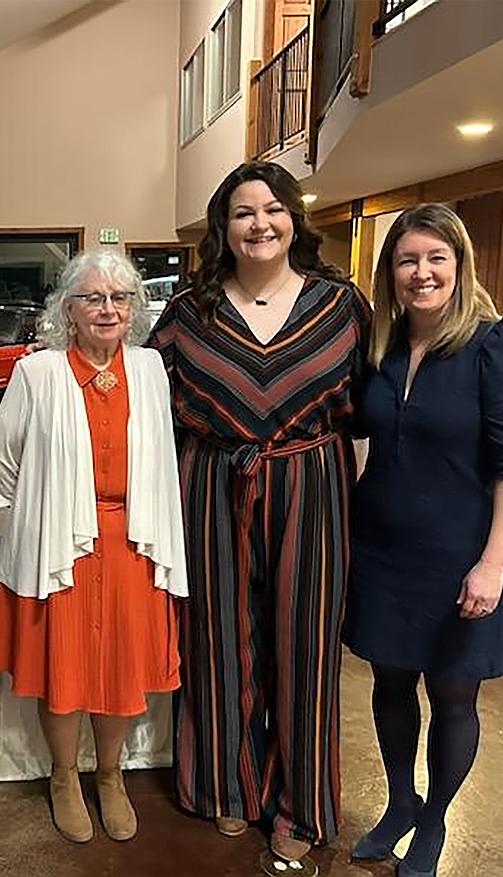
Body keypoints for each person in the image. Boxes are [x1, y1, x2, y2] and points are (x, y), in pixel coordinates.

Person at [147, 161, 369, 876]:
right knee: (218, 639)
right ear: (224, 227)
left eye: (273, 209)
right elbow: (151, 409)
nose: (260, 223)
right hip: (213, 480)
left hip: (314, 478)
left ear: (295, 219)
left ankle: (301, 806)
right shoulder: (189, 310)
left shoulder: (341, 305)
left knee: (304, 646)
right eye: (244, 212)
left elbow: (368, 409)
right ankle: (225, 781)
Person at [343, 204, 503, 877]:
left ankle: (433, 824)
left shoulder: (499, 342)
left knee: (453, 694)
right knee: (390, 681)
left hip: (462, 553)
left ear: (459, 264)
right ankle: (401, 801)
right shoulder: (382, 346)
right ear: (390, 273)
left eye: (435, 257)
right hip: (383, 548)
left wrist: (492, 564)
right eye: (407, 260)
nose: (421, 272)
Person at [0, 248, 188, 843]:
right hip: (62, 544)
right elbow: (4, 459)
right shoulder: (36, 372)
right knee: (64, 664)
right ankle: (65, 777)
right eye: (92, 297)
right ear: (67, 309)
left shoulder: (150, 368)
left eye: (119, 298)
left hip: (132, 540)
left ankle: (111, 777)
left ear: (133, 309)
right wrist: (50, 510)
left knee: (122, 664)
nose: (107, 308)